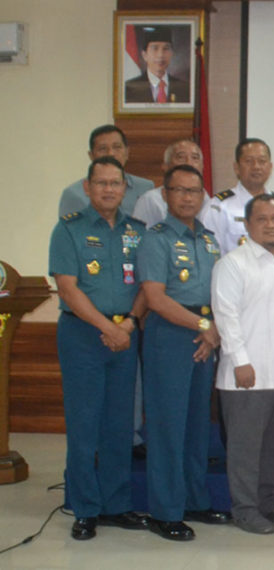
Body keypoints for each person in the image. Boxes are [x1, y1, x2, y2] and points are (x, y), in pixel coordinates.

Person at [50, 156, 150, 541]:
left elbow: (147, 285)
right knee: (83, 425)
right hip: (82, 336)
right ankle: (85, 507)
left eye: (115, 183)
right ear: (88, 188)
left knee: (119, 425)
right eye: (101, 183)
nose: (109, 189)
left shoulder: (138, 232)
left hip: (125, 334)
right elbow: (68, 288)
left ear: (125, 189)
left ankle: (116, 504)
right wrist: (109, 327)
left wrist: (127, 324)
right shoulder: (68, 230)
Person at [138, 164, 230, 541]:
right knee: (167, 427)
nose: (188, 197)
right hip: (171, 336)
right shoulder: (155, 239)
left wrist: (213, 331)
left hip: (205, 336)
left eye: (194, 191)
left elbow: (218, 291)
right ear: (165, 194)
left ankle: (194, 500)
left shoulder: (209, 239)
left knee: (195, 426)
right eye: (179, 190)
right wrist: (205, 329)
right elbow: (156, 299)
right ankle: (165, 510)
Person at [211, 194, 274, 535]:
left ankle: (268, 503)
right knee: (245, 449)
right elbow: (226, 316)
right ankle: (245, 509)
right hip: (246, 375)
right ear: (248, 224)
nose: (270, 225)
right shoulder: (233, 264)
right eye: (262, 219)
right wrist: (240, 360)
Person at [202, 138, 274, 255]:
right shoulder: (218, 206)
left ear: (270, 167)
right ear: (236, 167)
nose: (256, 167)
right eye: (249, 161)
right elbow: (211, 254)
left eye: (262, 161)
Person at [59, 125, 155, 217]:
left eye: (117, 147)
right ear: (91, 155)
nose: (110, 153)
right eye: (103, 149)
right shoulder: (74, 194)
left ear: (127, 152)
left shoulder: (145, 188)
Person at [133, 139, 207, 228]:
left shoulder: (207, 198)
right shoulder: (151, 200)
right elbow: (138, 237)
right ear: (165, 166)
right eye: (181, 157)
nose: (189, 163)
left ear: (203, 166)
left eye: (195, 158)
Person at [123, 26, 190, 104]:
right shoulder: (129, 89)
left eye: (166, 48)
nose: (160, 55)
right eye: (155, 48)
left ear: (171, 53)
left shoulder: (185, 88)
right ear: (144, 55)